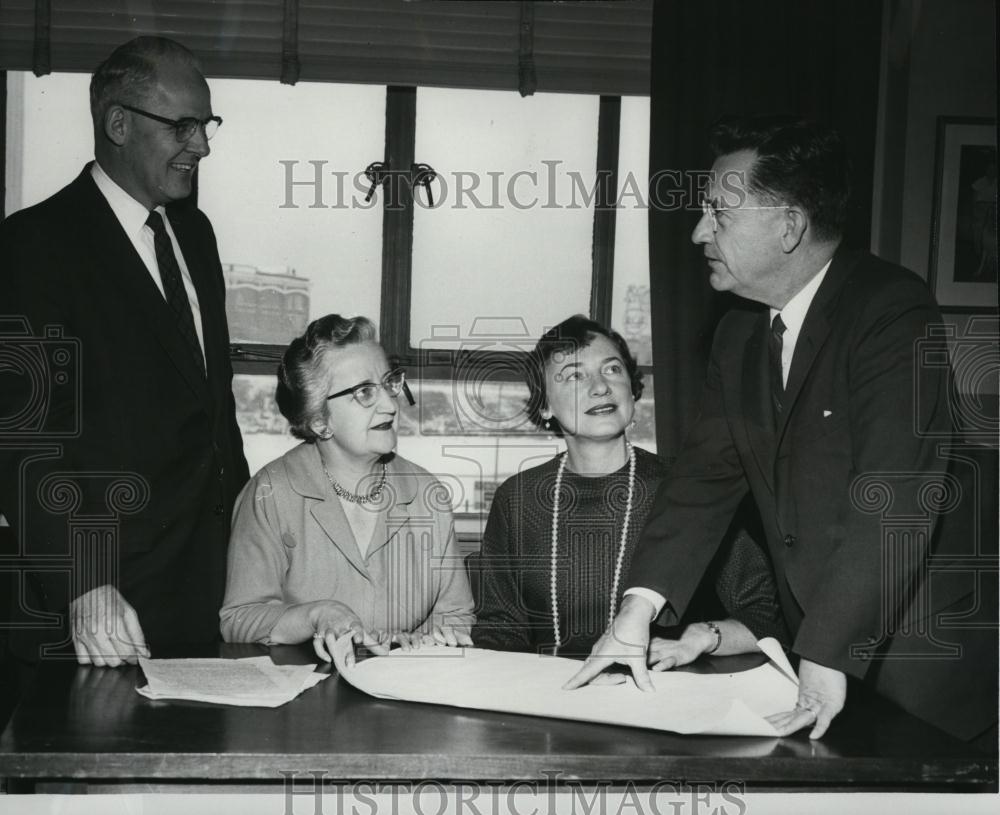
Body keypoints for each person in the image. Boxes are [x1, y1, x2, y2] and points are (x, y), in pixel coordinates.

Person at [567, 116, 997, 745]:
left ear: (789, 226)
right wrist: (636, 611)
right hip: (820, 653)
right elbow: (701, 484)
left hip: (922, 663)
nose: (699, 232)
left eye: (719, 214)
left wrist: (824, 653)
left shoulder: (891, 309)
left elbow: (895, 498)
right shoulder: (739, 332)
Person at [0, 37, 249, 667]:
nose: (202, 145)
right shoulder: (34, 243)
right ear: (118, 124)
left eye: (207, 124)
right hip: (104, 613)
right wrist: (84, 582)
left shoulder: (195, 232)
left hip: (212, 597)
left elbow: (216, 415)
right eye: (183, 126)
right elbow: (22, 439)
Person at [471, 315, 787, 663]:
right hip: (552, 688)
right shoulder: (517, 498)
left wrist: (702, 636)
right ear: (544, 405)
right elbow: (499, 632)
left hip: (666, 687)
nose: (600, 387)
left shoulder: (693, 488)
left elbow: (768, 617)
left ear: (633, 389)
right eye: (575, 376)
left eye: (612, 369)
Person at [220, 315, 474, 663]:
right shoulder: (270, 494)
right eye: (365, 392)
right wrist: (316, 615)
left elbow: (455, 615)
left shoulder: (428, 494)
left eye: (389, 383)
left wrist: (425, 643)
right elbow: (239, 619)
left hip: (399, 689)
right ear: (320, 421)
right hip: (305, 691)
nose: (390, 405)